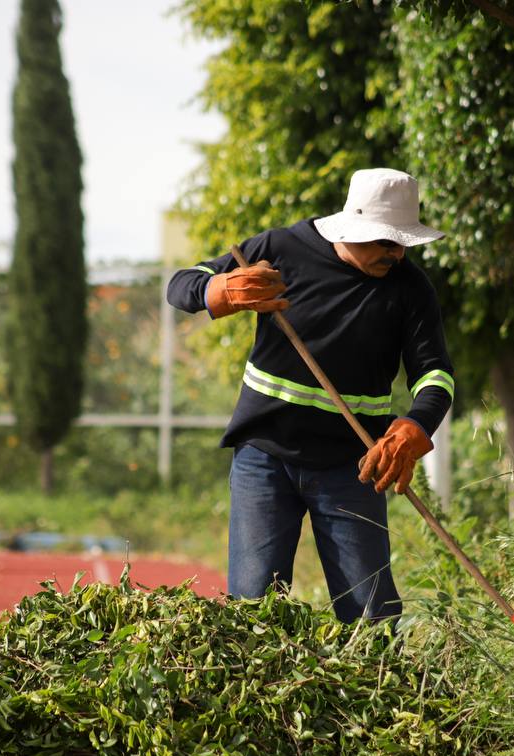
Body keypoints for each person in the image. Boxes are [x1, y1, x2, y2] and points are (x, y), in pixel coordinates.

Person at [167, 168, 454, 623]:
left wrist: (417, 424)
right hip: (265, 458)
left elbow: (435, 373)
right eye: (385, 241)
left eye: (403, 242)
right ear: (354, 225)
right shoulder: (279, 250)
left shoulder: (410, 289)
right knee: (252, 613)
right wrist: (216, 289)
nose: (396, 253)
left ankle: (374, 690)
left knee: (372, 619)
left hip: (354, 466)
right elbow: (181, 283)